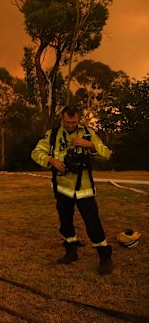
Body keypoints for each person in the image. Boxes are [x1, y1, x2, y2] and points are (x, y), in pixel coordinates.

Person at [31, 106, 113, 275]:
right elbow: (35, 153)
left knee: (93, 224)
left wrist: (90, 146)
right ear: (62, 119)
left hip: (84, 188)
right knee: (65, 222)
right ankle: (70, 251)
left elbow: (106, 154)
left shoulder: (88, 133)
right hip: (62, 187)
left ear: (78, 119)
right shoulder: (53, 134)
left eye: (73, 122)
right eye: (67, 122)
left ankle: (105, 257)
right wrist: (51, 160)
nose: (70, 125)